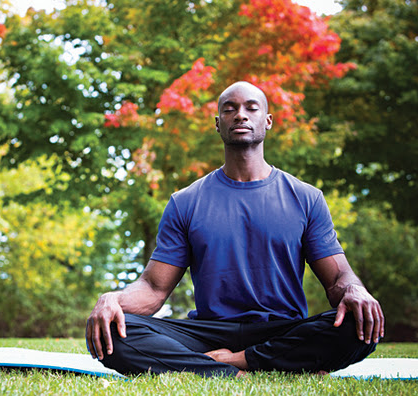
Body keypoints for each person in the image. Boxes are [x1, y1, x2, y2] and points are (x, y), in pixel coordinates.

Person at [86, 81, 384, 377]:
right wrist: (113, 299)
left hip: (281, 329)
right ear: (218, 124)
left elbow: (337, 280)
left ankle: (233, 363)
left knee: (359, 322)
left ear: (267, 121)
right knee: (112, 331)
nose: (240, 115)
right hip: (208, 331)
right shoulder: (185, 202)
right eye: (230, 109)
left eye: (251, 108)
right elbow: (153, 289)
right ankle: (260, 365)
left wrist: (355, 290)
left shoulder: (306, 198)